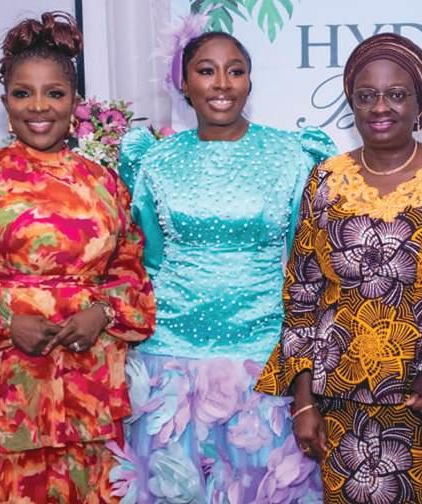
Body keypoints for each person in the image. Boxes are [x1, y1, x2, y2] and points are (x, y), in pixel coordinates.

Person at [256, 32, 422, 503]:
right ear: (352, 105)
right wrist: (303, 399)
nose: (380, 107)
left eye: (396, 95)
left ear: (420, 104)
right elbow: (302, 292)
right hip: (342, 406)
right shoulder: (326, 179)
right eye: (366, 96)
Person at [0, 11, 156, 504]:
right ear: (5, 101)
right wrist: (7, 323)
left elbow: (131, 272)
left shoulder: (105, 183)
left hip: (84, 384)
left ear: (74, 101)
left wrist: (101, 313)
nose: (39, 106)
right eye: (23, 93)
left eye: (55, 93)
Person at [109, 31, 336, 503]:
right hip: (171, 353)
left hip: (263, 352)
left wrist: (306, 377)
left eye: (235, 71)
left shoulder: (291, 155)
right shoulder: (157, 160)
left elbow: (305, 269)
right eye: (206, 71)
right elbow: (148, 261)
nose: (222, 84)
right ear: (184, 83)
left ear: (249, 82)